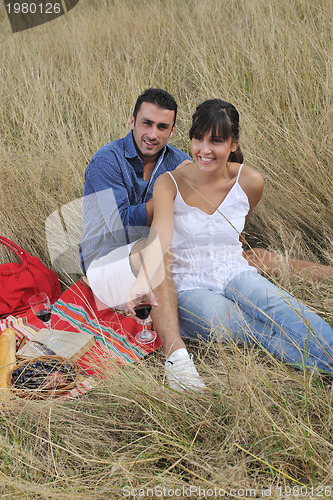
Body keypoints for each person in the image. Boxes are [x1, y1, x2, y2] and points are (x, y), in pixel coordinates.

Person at [128, 98, 333, 377]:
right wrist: (142, 281)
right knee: (255, 330)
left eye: (216, 141)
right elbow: (160, 236)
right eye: (198, 139)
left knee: (284, 309)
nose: (205, 149)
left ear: (233, 144)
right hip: (189, 286)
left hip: (235, 273)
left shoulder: (250, 182)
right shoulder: (169, 183)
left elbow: (237, 236)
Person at [80, 88, 206, 391]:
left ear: (172, 129)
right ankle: (177, 362)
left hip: (154, 257)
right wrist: (168, 187)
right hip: (105, 261)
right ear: (133, 120)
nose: (153, 133)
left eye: (162, 127)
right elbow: (118, 229)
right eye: (146, 123)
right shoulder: (106, 162)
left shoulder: (179, 160)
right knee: (157, 250)